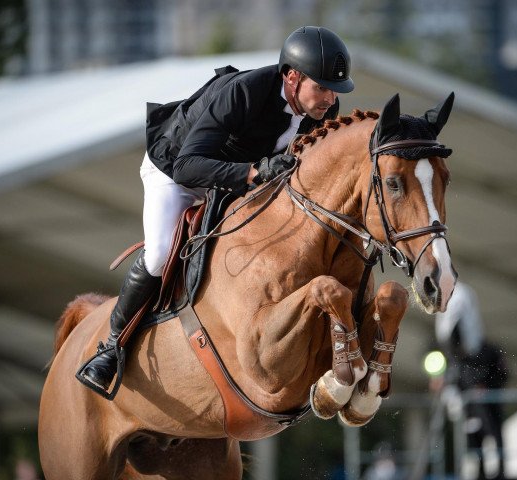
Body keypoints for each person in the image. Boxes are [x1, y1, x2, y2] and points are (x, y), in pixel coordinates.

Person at [76, 26, 355, 395]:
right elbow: (187, 166)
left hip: (238, 179)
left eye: (333, 89)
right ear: (292, 77)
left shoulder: (323, 108)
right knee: (160, 255)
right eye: (321, 87)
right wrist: (254, 172)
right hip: (176, 171)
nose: (330, 98)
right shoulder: (243, 93)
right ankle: (111, 347)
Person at [435, 282, 508, 480]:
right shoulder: (458, 361)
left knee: (492, 433)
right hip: (470, 403)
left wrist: (485, 386)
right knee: (473, 435)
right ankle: (481, 471)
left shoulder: (489, 352)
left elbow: (502, 375)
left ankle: (499, 471)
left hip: (487, 404)